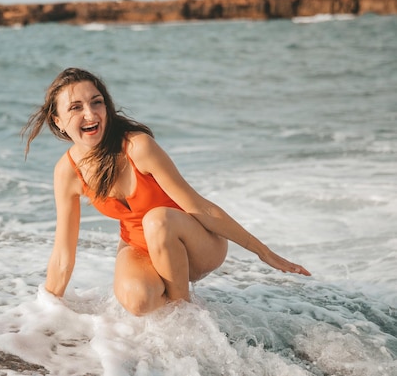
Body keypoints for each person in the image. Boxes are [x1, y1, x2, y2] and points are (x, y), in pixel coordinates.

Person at [22, 68, 310, 316]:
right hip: (140, 247)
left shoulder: (137, 147)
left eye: (97, 102)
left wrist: (264, 253)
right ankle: (171, 303)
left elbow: (199, 207)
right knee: (138, 301)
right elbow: (63, 253)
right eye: (75, 107)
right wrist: (46, 311)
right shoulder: (67, 171)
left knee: (156, 220)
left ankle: (186, 317)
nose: (90, 113)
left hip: (196, 243)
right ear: (57, 120)